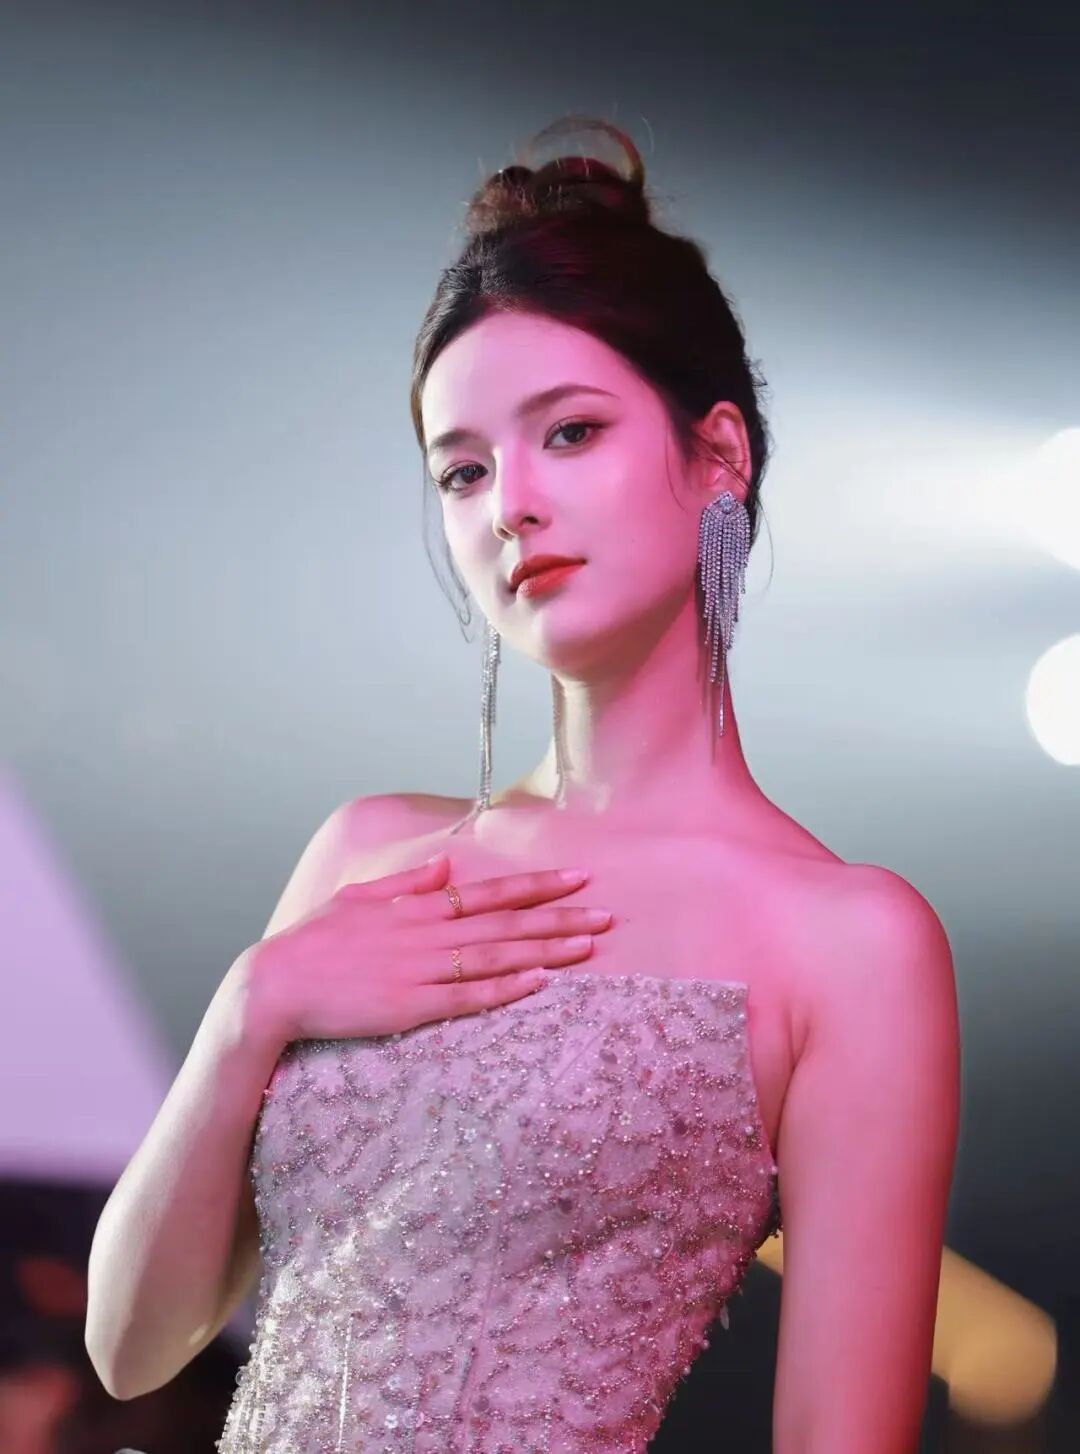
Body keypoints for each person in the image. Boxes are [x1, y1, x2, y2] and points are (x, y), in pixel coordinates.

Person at [84, 115, 961, 1453]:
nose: (509, 506)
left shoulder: (849, 939)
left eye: (571, 433)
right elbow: (132, 1346)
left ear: (718, 454)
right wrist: (252, 1007)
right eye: (464, 469)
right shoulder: (368, 853)